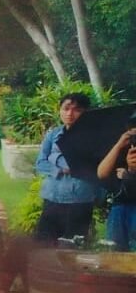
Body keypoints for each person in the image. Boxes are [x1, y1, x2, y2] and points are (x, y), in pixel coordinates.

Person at [34, 92, 102, 242]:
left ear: (85, 113)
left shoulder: (93, 138)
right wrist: (59, 168)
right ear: (60, 110)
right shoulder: (53, 135)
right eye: (66, 108)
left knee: (73, 246)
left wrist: (54, 157)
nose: (70, 113)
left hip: (79, 199)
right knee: (44, 245)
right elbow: (40, 163)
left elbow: (85, 164)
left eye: (77, 110)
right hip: (52, 197)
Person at [97, 114, 136, 252]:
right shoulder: (124, 148)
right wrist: (119, 145)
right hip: (119, 207)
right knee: (115, 252)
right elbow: (102, 173)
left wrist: (129, 173)